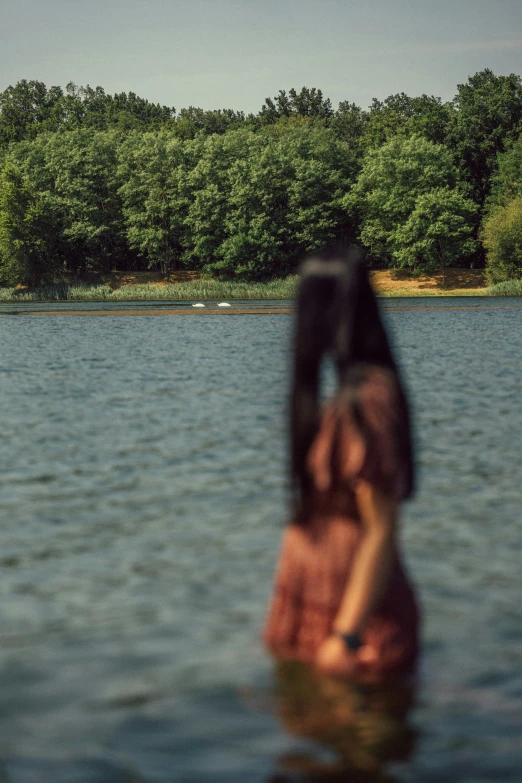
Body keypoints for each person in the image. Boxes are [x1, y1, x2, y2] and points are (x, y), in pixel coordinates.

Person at [263, 245, 420, 681]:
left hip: (353, 614)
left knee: (364, 741)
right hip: (318, 598)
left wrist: (348, 636)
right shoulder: (346, 398)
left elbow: (381, 529)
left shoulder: (367, 401)